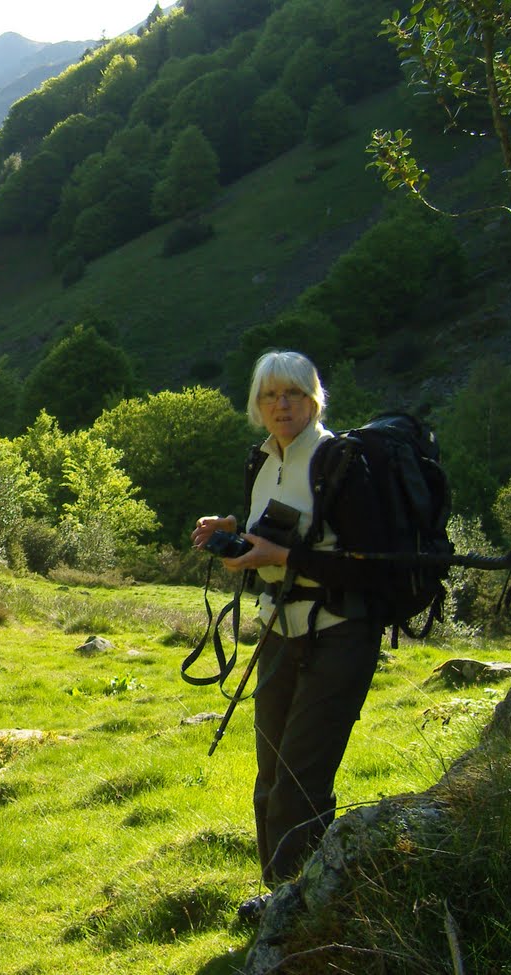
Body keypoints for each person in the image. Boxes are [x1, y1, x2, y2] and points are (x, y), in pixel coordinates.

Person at [191, 350, 388, 923]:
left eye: (294, 394)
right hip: (279, 630)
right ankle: (284, 900)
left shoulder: (338, 462)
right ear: (257, 405)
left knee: (300, 781)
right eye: (270, 395)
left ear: (313, 400)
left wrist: (280, 556)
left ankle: (297, 918)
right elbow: (283, 528)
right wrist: (235, 530)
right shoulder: (263, 459)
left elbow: (370, 566)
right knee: (271, 775)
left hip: (340, 634)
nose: (282, 405)